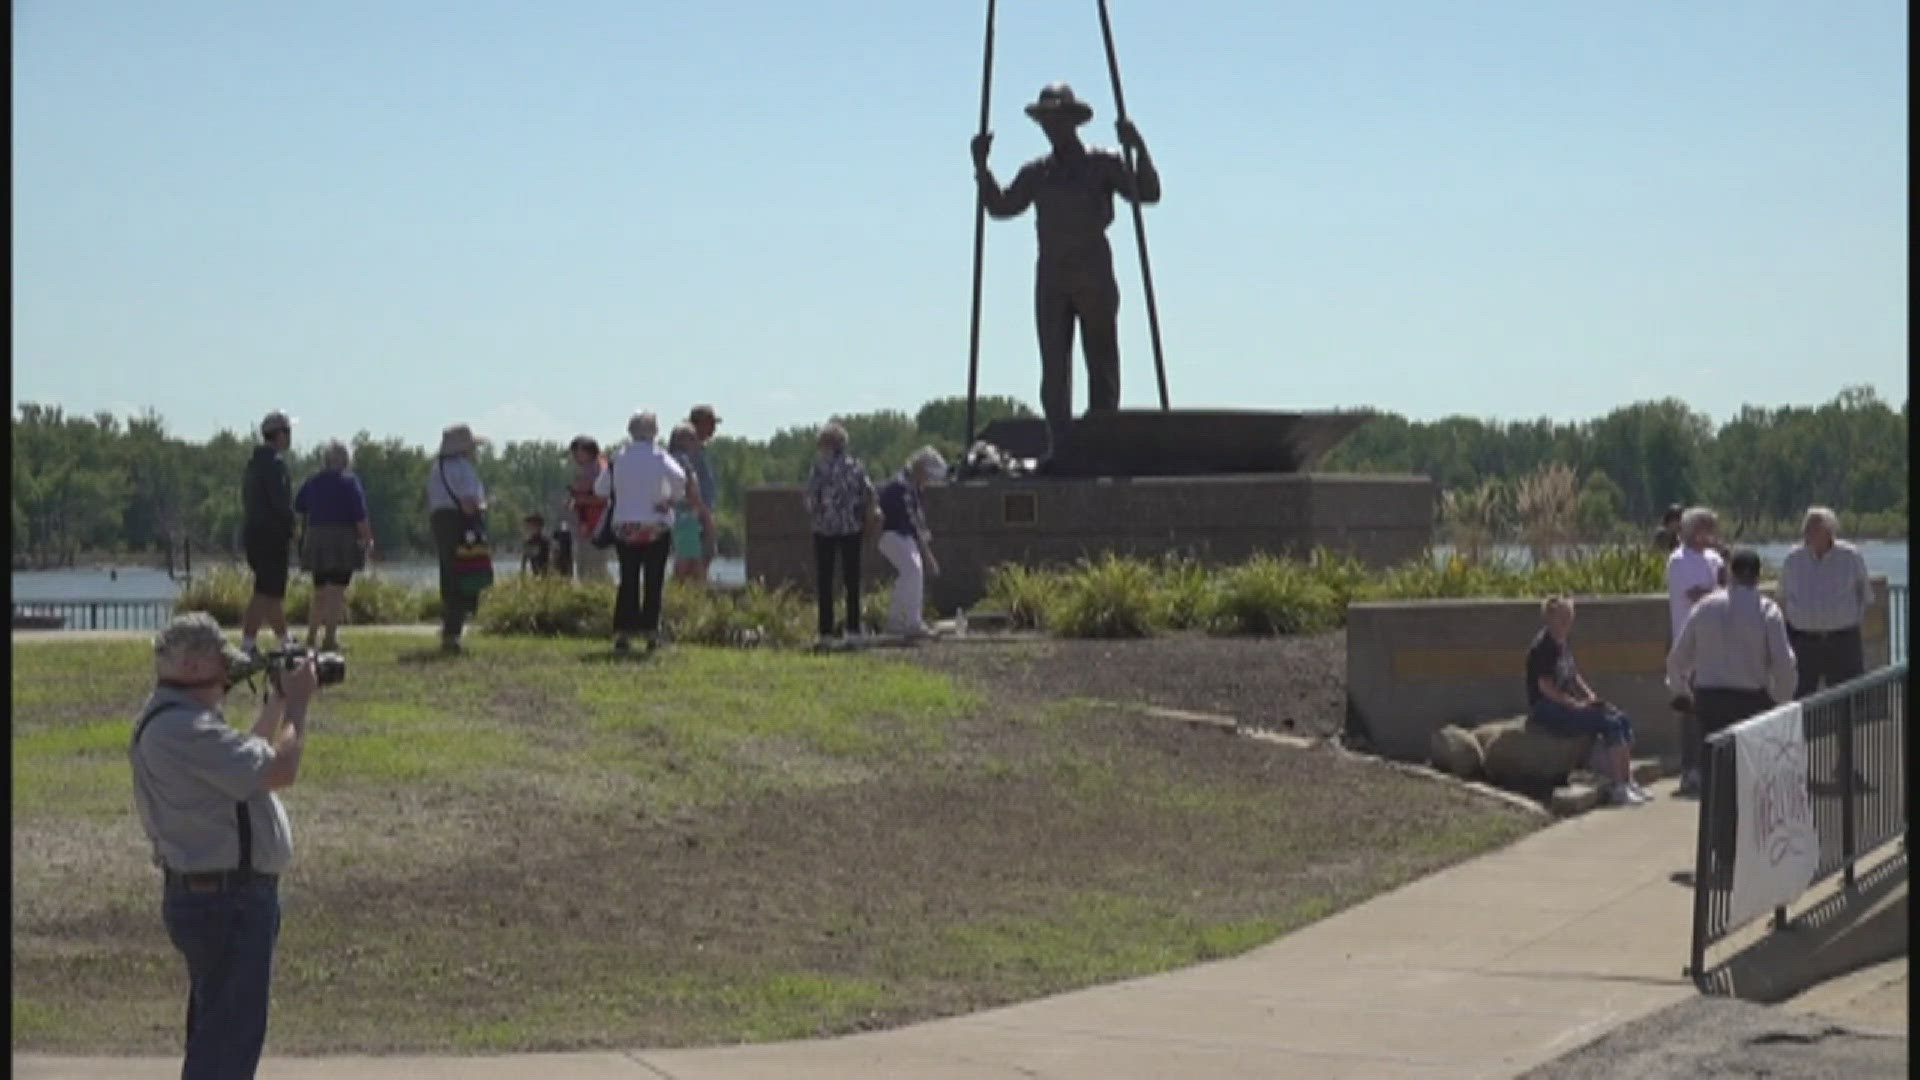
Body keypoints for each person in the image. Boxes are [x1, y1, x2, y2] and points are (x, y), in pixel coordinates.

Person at [130, 613, 315, 1080]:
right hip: (226, 900)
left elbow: (245, 764)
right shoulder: (184, 729)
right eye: (221, 667)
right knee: (227, 1047)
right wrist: (297, 708)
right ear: (191, 667)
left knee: (219, 1034)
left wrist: (274, 702)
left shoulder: (180, 724)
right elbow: (279, 771)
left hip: (217, 896)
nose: (228, 679)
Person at [973, 84, 1161, 452]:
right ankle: (1059, 446)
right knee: (1054, 370)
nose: (1050, 126)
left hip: (1094, 274)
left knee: (1102, 364)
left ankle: (1101, 443)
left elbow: (1148, 193)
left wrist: (1138, 147)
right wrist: (982, 168)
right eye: (1044, 120)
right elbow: (1002, 207)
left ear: (1073, 121)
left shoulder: (1102, 163)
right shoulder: (1038, 173)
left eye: (1056, 119)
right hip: (1052, 279)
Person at [1667, 549, 1798, 863]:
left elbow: (1677, 659)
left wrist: (1681, 691)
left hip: (1710, 701)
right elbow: (1784, 663)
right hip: (1750, 701)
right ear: (1757, 575)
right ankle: (1750, 847)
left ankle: (1718, 847)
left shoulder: (1705, 607)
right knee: (1752, 778)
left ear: (1729, 572)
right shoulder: (1768, 611)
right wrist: (1783, 700)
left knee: (1716, 777)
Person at [1525, 597, 1650, 806]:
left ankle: (1628, 781)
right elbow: (1546, 688)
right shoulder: (1543, 646)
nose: (1567, 622)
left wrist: (1591, 698)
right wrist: (1575, 705)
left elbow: (1574, 677)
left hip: (1567, 703)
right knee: (1608, 724)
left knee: (1620, 718)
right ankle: (1618, 787)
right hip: (1547, 708)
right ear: (1550, 618)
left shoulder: (1563, 643)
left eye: (1569, 617)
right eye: (1562, 618)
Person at [597, 412, 685, 653]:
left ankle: (623, 633)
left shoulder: (619, 457)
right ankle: (651, 632)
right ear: (655, 432)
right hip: (655, 523)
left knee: (628, 579)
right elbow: (680, 479)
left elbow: (601, 488)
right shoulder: (659, 456)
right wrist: (669, 500)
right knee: (654, 579)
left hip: (625, 525)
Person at [1666, 506, 1728, 796]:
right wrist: (1721, 592)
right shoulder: (1678, 561)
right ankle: (1690, 769)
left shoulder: (1715, 559)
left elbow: (1724, 587)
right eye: (1707, 529)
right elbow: (1694, 595)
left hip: (1715, 647)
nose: (1712, 535)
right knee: (1689, 710)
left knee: (1711, 710)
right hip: (1689, 644)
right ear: (1693, 531)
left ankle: (1709, 766)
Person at [1779, 507, 1872, 698]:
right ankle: (1807, 729)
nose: (1807, 532)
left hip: (1843, 640)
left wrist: (1853, 621)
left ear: (1829, 531)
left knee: (1847, 697)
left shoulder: (1850, 556)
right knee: (1802, 697)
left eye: (1814, 528)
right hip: (1804, 642)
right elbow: (1782, 596)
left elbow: (1866, 595)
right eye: (1806, 527)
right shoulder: (1793, 559)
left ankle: (1844, 729)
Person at [292, 440, 374, 651]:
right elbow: (360, 515)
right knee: (336, 590)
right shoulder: (349, 482)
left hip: (316, 536)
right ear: (344, 460)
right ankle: (330, 638)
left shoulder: (313, 481)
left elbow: (299, 506)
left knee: (319, 590)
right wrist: (367, 539)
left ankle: (311, 637)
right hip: (341, 537)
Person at [804, 421, 877, 641]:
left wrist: (817, 515)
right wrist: (864, 518)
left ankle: (826, 632)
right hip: (851, 528)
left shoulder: (819, 468)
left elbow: (811, 498)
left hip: (824, 529)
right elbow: (869, 494)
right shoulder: (855, 467)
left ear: (827, 444)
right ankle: (853, 630)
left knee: (825, 581)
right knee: (852, 580)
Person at [426, 423, 489, 653]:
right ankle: (454, 630)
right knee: (466, 573)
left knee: (449, 573)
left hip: (440, 522)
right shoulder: (463, 468)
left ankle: (449, 628)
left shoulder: (437, 469)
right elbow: (469, 502)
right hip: (461, 523)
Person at [240, 411, 298, 655]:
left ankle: (285, 640)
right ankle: (248, 643)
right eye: (288, 431)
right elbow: (280, 502)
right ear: (280, 434)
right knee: (265, 591)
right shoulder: (274, 465)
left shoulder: (253, 465)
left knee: (273, 591)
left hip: (254, 532)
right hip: (271, 535)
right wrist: (292, 528)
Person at [876, 447, 946, 638]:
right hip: (892, 533)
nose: (929, 481)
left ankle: (900, 622)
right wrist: (928, 554)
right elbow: (913, 521)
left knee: (912, 573)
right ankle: (908, 623)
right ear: (921, 468)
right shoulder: (902, 486)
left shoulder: (912, 487)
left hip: (902, 535)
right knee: (913, 570)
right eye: (929, 475)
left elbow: (918, 522)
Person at [666, 423, 716, 583]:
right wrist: (705, 514)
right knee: (688, 561)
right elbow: (691, 488)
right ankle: (687, 598)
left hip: (675, 515)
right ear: (682, 441)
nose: (697, 443)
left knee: (691, 559)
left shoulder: (666, 460)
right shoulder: (683, 461)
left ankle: (690, 598)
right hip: (687, 515)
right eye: (693, 439)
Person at [564, 436, 612, 583]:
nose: (575, 457)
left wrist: (581, 500)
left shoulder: (600, 470)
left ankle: (601, 598)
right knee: (583, 567)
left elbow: (606, 498)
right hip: (585, 526)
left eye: (577, 453)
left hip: (598, 525)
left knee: (595, 568)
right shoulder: (586, 470)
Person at [687, 404, 723, 570]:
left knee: (706, 554)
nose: (714, 428)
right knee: (694, 557)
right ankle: (689, 592)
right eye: (711, 423)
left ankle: (695, 591)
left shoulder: (702, 450)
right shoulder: (690, 451)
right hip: (696, 513)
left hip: (705, 511)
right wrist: (702, 511)